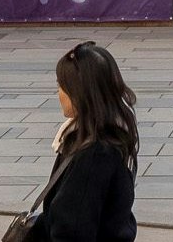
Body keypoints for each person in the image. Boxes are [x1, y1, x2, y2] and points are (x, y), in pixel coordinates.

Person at [26, 40, 140, 241]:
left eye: (61, 85)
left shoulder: (95, 153)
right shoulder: (107, 134)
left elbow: (73, 229)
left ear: (79, 92)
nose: (58, 93)